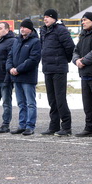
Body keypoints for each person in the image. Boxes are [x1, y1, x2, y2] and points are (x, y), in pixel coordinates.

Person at [40, 9, 75, 137]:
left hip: (59, 69)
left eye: (48, 17)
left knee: (60, 99)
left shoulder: (61, 30)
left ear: (54, 18)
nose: (45, 19)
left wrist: (64, 60)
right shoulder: (43, 31)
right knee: (52, 100)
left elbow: (70, 47)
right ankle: (53, 126)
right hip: (47, 69)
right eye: (44, 17)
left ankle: (66, 126)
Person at [6, 19, 41, 136]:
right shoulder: (16, 41)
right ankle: (22, 125)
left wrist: (18, 69)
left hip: (28, 78)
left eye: (25, 27)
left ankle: (30, 126)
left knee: (30, 103)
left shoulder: (35, 42)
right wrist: (10, 68)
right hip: (16, 77)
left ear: (30, 29)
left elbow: (33, 60)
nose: (22, 29)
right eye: (21, 27)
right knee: (21, 103)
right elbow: (10, 56)